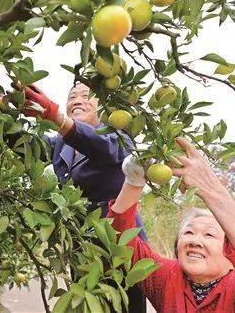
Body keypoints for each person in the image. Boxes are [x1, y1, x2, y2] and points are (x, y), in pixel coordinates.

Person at [109, 137, 235, 312]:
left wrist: (211, 190)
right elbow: (122, 242)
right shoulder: (166, 278)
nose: (195, 240)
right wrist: (134, 180)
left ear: (233, 254)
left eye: (209, 235)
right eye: (188, 233)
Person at [18, 81, 147, 313]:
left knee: (126, 305)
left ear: (102, 105)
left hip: (119, 240)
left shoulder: (118, 136)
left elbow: (102, 147)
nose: (77, 100)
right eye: (72, 96)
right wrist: (3, 112)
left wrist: (58, 119)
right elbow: (28, 148)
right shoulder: (61, 145)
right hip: (83, 243)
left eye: (86, 95)